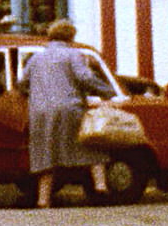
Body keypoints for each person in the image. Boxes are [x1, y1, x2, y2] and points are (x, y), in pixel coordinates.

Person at [17, 18, 114, 208]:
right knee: (91, 144)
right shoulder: (73, 55)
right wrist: (107, 91)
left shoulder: (36, 57)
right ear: (70, 36)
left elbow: (22, 83)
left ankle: (43, 199)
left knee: (45, 154)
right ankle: (101, 186)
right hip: (70, 108)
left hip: (40, 111)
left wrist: (35, 95)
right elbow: (84, 77)